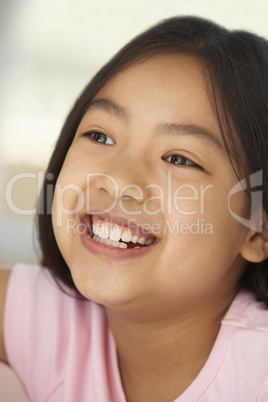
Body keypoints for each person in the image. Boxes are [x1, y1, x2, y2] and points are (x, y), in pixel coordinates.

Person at [1, 15, 268, 402]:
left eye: (179, 159)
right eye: (100, 135)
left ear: (257, 229)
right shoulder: (48, 318)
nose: (120, 178)